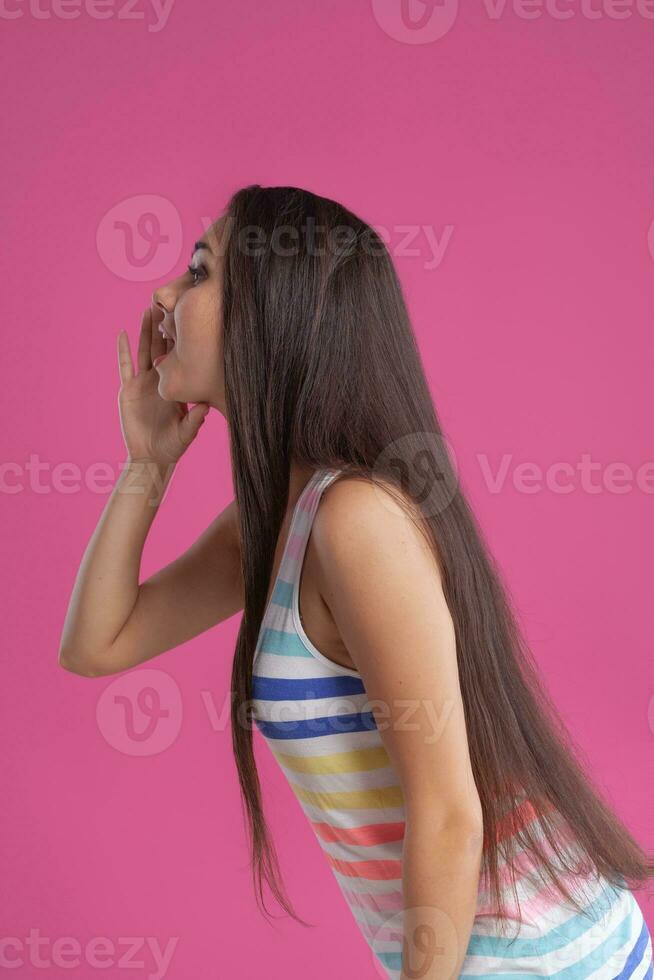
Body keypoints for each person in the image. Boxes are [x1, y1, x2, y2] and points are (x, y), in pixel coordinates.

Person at [58, 185, 652, 979]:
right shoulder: (278, 521)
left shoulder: (356, 520)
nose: (163, 294)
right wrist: (146, 468)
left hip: (540, 962)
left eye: (198, 272)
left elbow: (446, 812)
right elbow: (97, 644)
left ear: (273, 312)